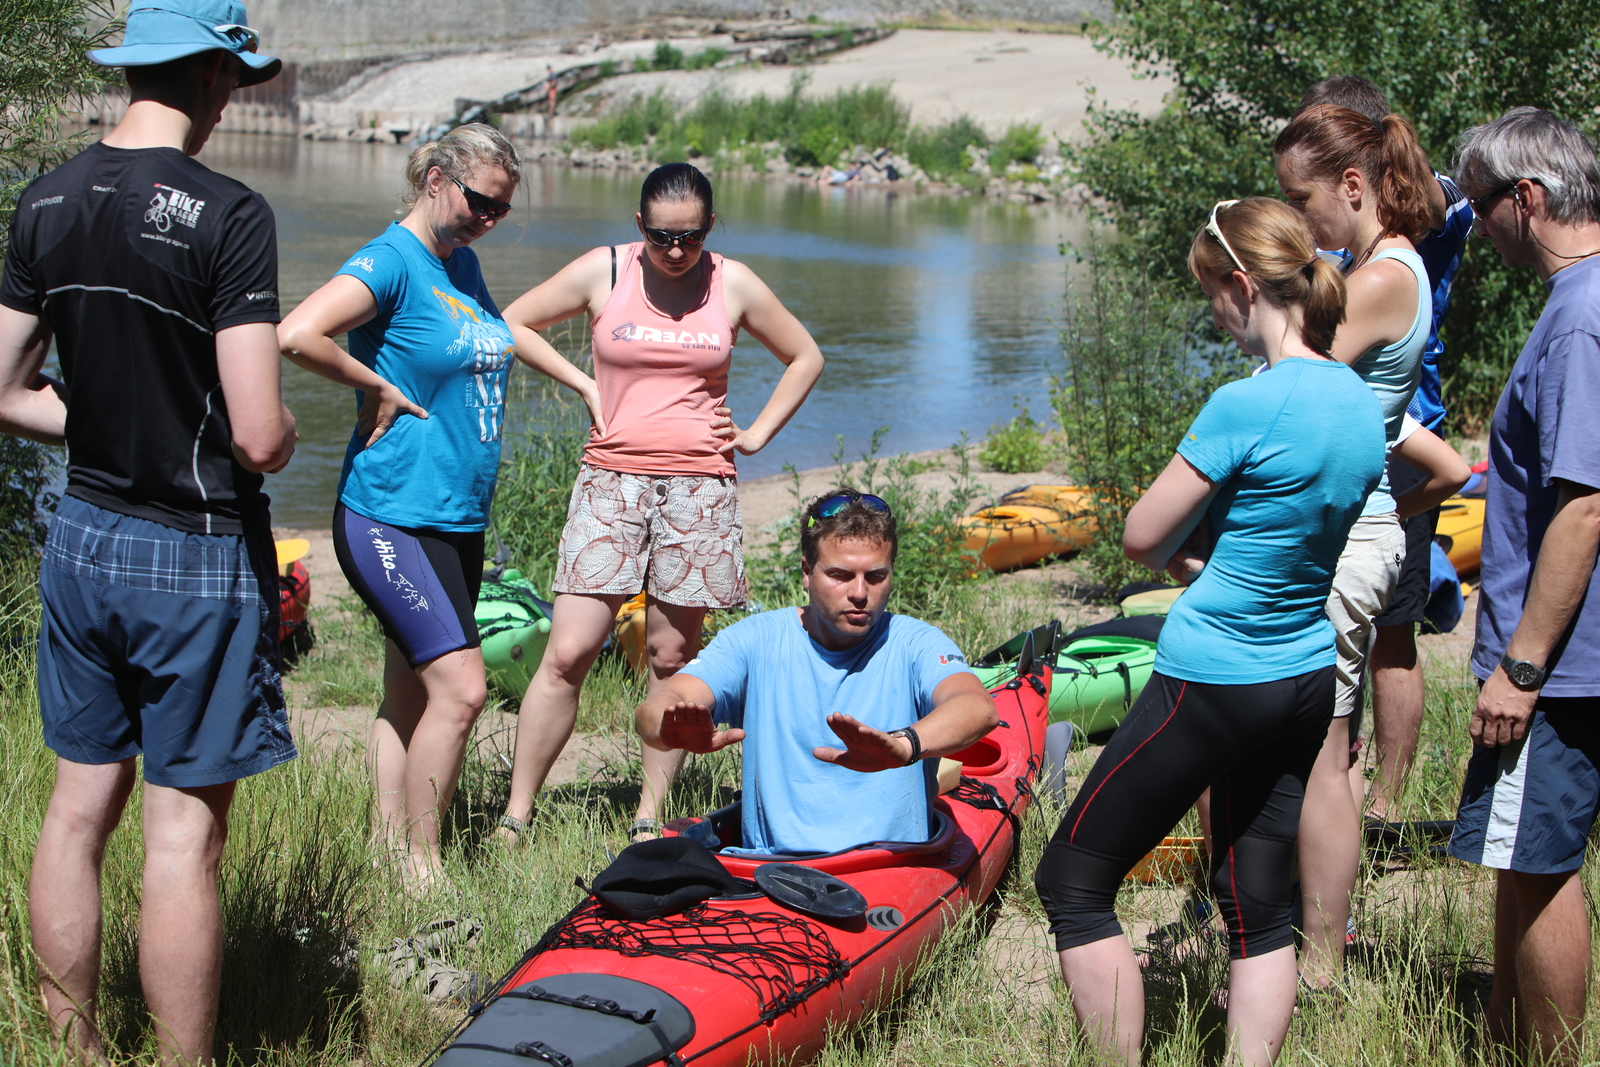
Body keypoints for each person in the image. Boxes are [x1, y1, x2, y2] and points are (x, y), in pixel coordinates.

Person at [0, 3, 297, 1062]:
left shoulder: (46, 198)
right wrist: (284, 428)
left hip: (80, 534)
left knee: (78, 809)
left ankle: (72, 1048)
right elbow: (257, 434)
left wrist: (113, 417)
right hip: (192, 548)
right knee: (181, 834)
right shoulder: (230, 213)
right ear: (216, 76)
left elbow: (4, 387)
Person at [1034, 198, 1385, 1067]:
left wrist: (1200, 555)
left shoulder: (1245, 403)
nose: (1213, 316)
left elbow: (1142, 537)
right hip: (1306, 674)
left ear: (1241, 284)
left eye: (1210, 295)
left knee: (1072, 879)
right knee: (1256, 902)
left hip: (1218, 675)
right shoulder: (1356, 395)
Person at [495, 163, 824, 847]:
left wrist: (756, 433)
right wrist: (585, 385)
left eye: (692, 237)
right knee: (569, 651)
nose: (677, 251)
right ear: (639, 226)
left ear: (710, 228)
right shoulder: (605, 271)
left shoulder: (729, 281)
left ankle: (649, 814)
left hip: (700, 490)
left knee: (673, 661)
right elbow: (514, 323)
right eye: (664, 237)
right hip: (610, 483)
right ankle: (515, 814)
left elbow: (805, 356)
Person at [277, 123, 536, 891]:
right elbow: (298, 332)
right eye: (480, 201)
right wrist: (377, 384)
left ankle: (388, 847)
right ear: (435, 180)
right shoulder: (392, 260)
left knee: (408, 689)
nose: (489, 218)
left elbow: (493, 340)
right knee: (462, 689)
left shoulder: (462, 261)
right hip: (389, 513)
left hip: (454, 518)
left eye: (502, 209)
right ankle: (424, 865)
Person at [1444, 106, 1600, 1067]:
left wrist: (1523, 665)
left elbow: (1584, 506)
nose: (1477, 224)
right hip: (1574, 652)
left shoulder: (1580, 318)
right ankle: (1506, 1035)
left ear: (1527, 199)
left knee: (1538, 863)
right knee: (1517, 851)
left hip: (1561, 659)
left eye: (1481, 204)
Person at [1274, 102, 1436, 988]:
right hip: (1352, 522)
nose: (1300, 220)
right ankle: (1302, 925)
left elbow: (1293, 383)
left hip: (1342, 532)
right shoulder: (1371, 266)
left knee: (1325, 750)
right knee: (1317, 738)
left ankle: (1324, 957)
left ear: (1353, 186)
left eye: (1302, 200)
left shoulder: (1380, 279)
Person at [1297, 76, 1477, 823]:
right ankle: (1359, 787)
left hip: (1397, 432)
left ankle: (1383, 799)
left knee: (1390, 635)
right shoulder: (1390, 220)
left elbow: (1310, 360)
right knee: (1371, 636)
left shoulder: (1405, 234)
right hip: (1394, 432)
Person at [635, 489, 997, 853]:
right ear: (807, 572)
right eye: (840, 574)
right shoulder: (754, 639)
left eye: (876, 576)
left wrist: (906, 746)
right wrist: (670, 726)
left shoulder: (915, 642)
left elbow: (977, 707)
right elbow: (658, 705)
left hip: (892, 867)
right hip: (770, 871)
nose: (859, 592)